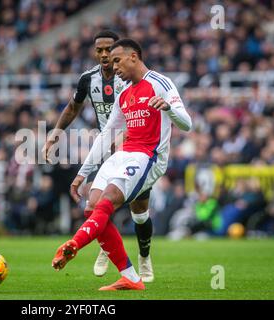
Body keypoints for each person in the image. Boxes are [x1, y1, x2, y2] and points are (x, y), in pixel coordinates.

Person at [51, 39, 192, 290]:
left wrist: (169, 108)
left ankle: (74, 243)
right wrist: (82, 174)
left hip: (149, 156)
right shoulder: (124, 94)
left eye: (117, 60)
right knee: (92, 207)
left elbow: (187, 124)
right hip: (123, 154)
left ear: (134, 57)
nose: (113, 67)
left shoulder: (161, 83)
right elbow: (106, 135)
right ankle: (131, 277)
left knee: (112, 201)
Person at [42, 30, 155, 282]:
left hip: (136, 149)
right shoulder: (88, 79)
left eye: (109, 49)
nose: (104, 54)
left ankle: (144, 256)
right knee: (96, 205)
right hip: (106, 149)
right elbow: (73, 107)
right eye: (99, 50)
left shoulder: (129, 77)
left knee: (140, 213)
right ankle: (107, 249)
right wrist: (56, 133)